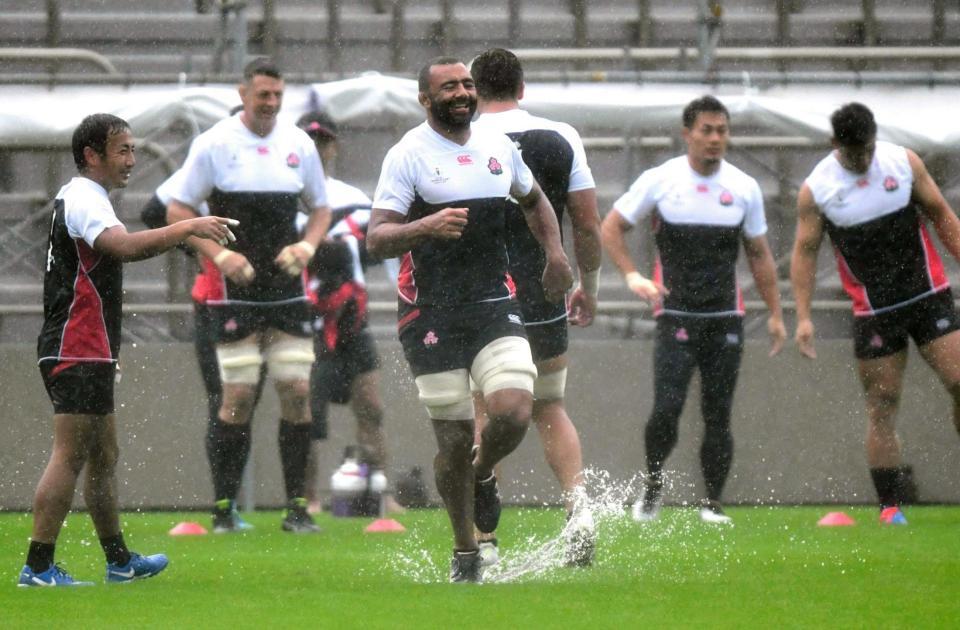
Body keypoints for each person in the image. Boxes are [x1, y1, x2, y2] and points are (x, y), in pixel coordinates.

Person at [366, 57, 572, 582]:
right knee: (452, 441)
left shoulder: (499, 146)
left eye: (466, 84)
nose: (461, 92)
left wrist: (555, 254)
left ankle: (482, 474)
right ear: (424, 98)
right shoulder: (407, 154)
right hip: (428, 313)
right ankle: (465, 551)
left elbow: (535, 200)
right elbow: (377, 237)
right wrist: (427, 225)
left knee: (515, 410)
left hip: (492, 304)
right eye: (448, 86)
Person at [21, 113, 237, 586]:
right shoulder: (84, 197)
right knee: (70, 455)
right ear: (91, 156)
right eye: (122, 150)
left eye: (134, 150)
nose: (132, 161)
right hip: (76, 344)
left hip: (88, 345)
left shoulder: (84, 197)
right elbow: (123, 247)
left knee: (103, 455)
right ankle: (37, 567)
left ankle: (119, 561)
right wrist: (187, 229)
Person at [601, 95, 786, 525]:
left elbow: (759, 254)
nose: (715, 139)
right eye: (706, 130)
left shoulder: (743, 187)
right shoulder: (661, 180)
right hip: (676, 314)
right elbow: (612, 227)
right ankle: (651, 488)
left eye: (722, 131)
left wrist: (776, 313)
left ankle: (713, 503)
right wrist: (633, 276)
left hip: (725, 316)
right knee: (667, 407)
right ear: (687, 134)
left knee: (718, 412)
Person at [166, 57, 332, 534]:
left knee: (297, 391)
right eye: (263, 95)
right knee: (237, 395)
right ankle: (223, 509)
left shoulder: (298, 143)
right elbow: (177, 208)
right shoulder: (215, 143)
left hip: (286, 290)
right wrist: (218, 257)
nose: (271, 103)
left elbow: (320, 208)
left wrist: (306, 244)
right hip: (232, 290)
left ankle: (297, 508)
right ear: (243, 94)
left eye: (278, 96)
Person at [790, 102, 960, 525]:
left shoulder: (902, 164)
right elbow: (805, 252)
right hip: (875, 311)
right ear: (835, 146)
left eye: (866, 150)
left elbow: (941, 215)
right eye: (853, 154)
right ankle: (890, 507)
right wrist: (804, 316)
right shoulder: (818, 189)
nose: (862, 160)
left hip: (928, 295)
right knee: (882, 404)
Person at [469, 48, 602, 567]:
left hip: (484, 296)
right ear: (522, 88)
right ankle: (578, 511)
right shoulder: (560, 136)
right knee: (549, 407)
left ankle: (486, 541)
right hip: (543, 290)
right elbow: (587, 224)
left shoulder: (463, 139)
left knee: (486, 411)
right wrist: (586, 285)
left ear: (474, 91)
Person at [141, 161, 265, 533]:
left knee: (245, 400)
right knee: (224, 398)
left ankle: (229, 504)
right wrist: (201, 250)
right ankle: (223, 504)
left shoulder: (264, 174)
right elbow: (153, 210)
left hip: (258, 299)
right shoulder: (211, 166)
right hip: (214, 301)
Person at [293, 111, 404, 515]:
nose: (318, 148)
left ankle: (383, 494)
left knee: (371, 407)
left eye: (324, 140)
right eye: (310, 140)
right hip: (304, 322)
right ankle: (308, 499)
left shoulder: (355, 200)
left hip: (353, 322)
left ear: (334, 145)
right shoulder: (286, 198)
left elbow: (384, 246)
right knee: (304, 413)